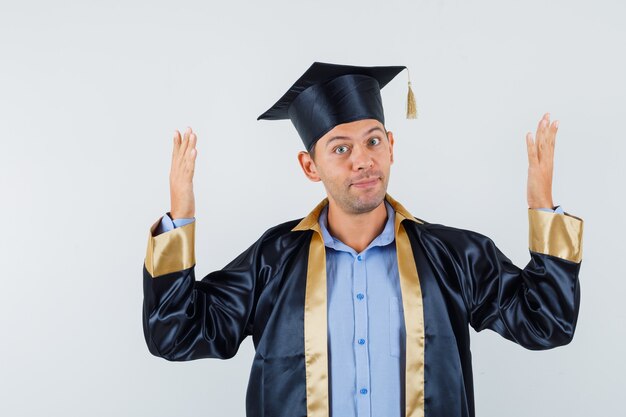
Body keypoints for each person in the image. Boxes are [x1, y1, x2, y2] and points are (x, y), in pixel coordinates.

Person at [142, 62, 584, 417]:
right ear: (309, 166)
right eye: (340, 148)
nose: (363, 161)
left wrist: (541, 205)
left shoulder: (454, 256)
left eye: (373, 141)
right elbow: (177, 333)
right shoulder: (272, 261)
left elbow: (546, 322)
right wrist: (180, 220)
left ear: (391, 145)